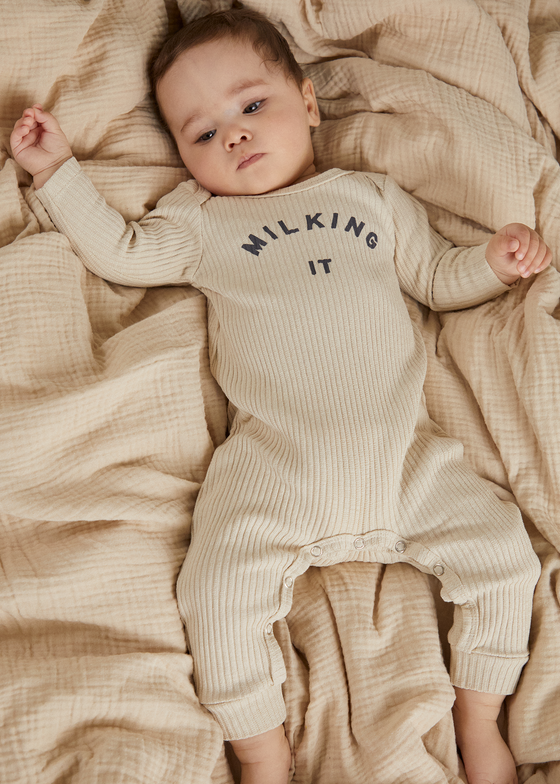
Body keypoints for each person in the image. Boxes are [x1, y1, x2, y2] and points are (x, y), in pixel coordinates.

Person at [10, 7, 550, 784]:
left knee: (504, 559)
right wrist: (57, 172)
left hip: (405, 459)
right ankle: (261, 751)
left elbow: (435, 277)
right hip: (275, 470)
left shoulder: (371, 198)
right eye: (203, 133)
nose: (233, 134)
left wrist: (494, 265)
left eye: (252, 105)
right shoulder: (203, 221)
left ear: (307, 102)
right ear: (184, 156)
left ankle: (480, 714)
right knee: (214, 591)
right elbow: (122, 252)